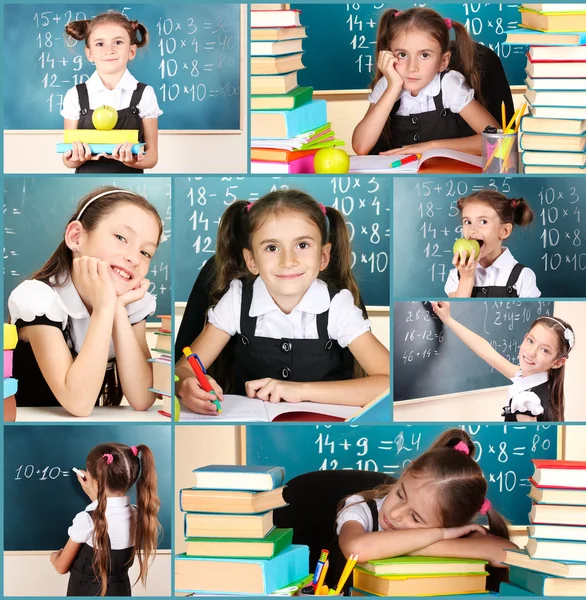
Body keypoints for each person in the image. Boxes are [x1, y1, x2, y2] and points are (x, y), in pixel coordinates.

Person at [175, 189, 390, 414]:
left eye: (303, 245)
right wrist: (185, 384)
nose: (288, 261)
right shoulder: (237, 300)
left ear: (324, 256)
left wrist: (300, 391)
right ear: (251, 260)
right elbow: (183, 368)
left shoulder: (337, 307)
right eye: (272, 248)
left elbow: (389, 383)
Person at [8, 187, 162, 416]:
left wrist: (117, 308)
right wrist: (104, 308)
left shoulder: (131, 303)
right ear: (76, 237)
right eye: (121, 238)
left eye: (145, 252)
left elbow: (142, 398)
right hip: (23, 428)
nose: (133, 258)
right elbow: (78, 403)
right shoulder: (37, 298)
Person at [336, 428, 518, 592]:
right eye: (400, 494)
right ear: (407, 471)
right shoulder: (360, 509)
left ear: (450, 524)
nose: (395, 514)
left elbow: (508, 553)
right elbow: (356, 549)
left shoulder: (453, 527)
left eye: (415, 518)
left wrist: (423, 544)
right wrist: (438, 535)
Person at [352, 8, 500, 157]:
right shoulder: (388, 84)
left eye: (424, 55)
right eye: (402, 54)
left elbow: (496, 141)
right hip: (407, 176)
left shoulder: (449, 85)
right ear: (389, 55)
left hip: (452, 175)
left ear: (443, 61)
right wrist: (393, 87)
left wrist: (431, 147)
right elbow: (361, 146)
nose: (412, 67)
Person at [50, 443, 160, 596]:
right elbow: (108, 513)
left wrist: (54, 556)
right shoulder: (138, 514)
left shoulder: (86, 520)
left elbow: (61, 567)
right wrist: (94, 495)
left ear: (95, 481)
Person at [431, 303, 574, 421]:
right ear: (525, 337)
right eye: (530, 341)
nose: (531, 352)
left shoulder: (528, 400)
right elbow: (486, 351)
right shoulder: (531, 379)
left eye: (544, 350)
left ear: (558, 362)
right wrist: (448, 318)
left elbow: (526, 446)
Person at [61, 13, 161, 173]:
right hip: (87, 181)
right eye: (100, 44)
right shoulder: (75, 95)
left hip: (130, 182)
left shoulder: (144, 94)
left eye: (118, 42)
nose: (109, 50)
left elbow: (152, 156)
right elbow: (68, 159)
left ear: (132, 51)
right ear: (89, 54)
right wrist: (76, 159)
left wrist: (133, 162)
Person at [446, 190, 540, 298]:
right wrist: (466, 278)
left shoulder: (522, 276)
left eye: (483, 222)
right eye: (467, 222)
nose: (472, 230)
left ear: (504, 231)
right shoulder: (455, 276)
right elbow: (457, 313)